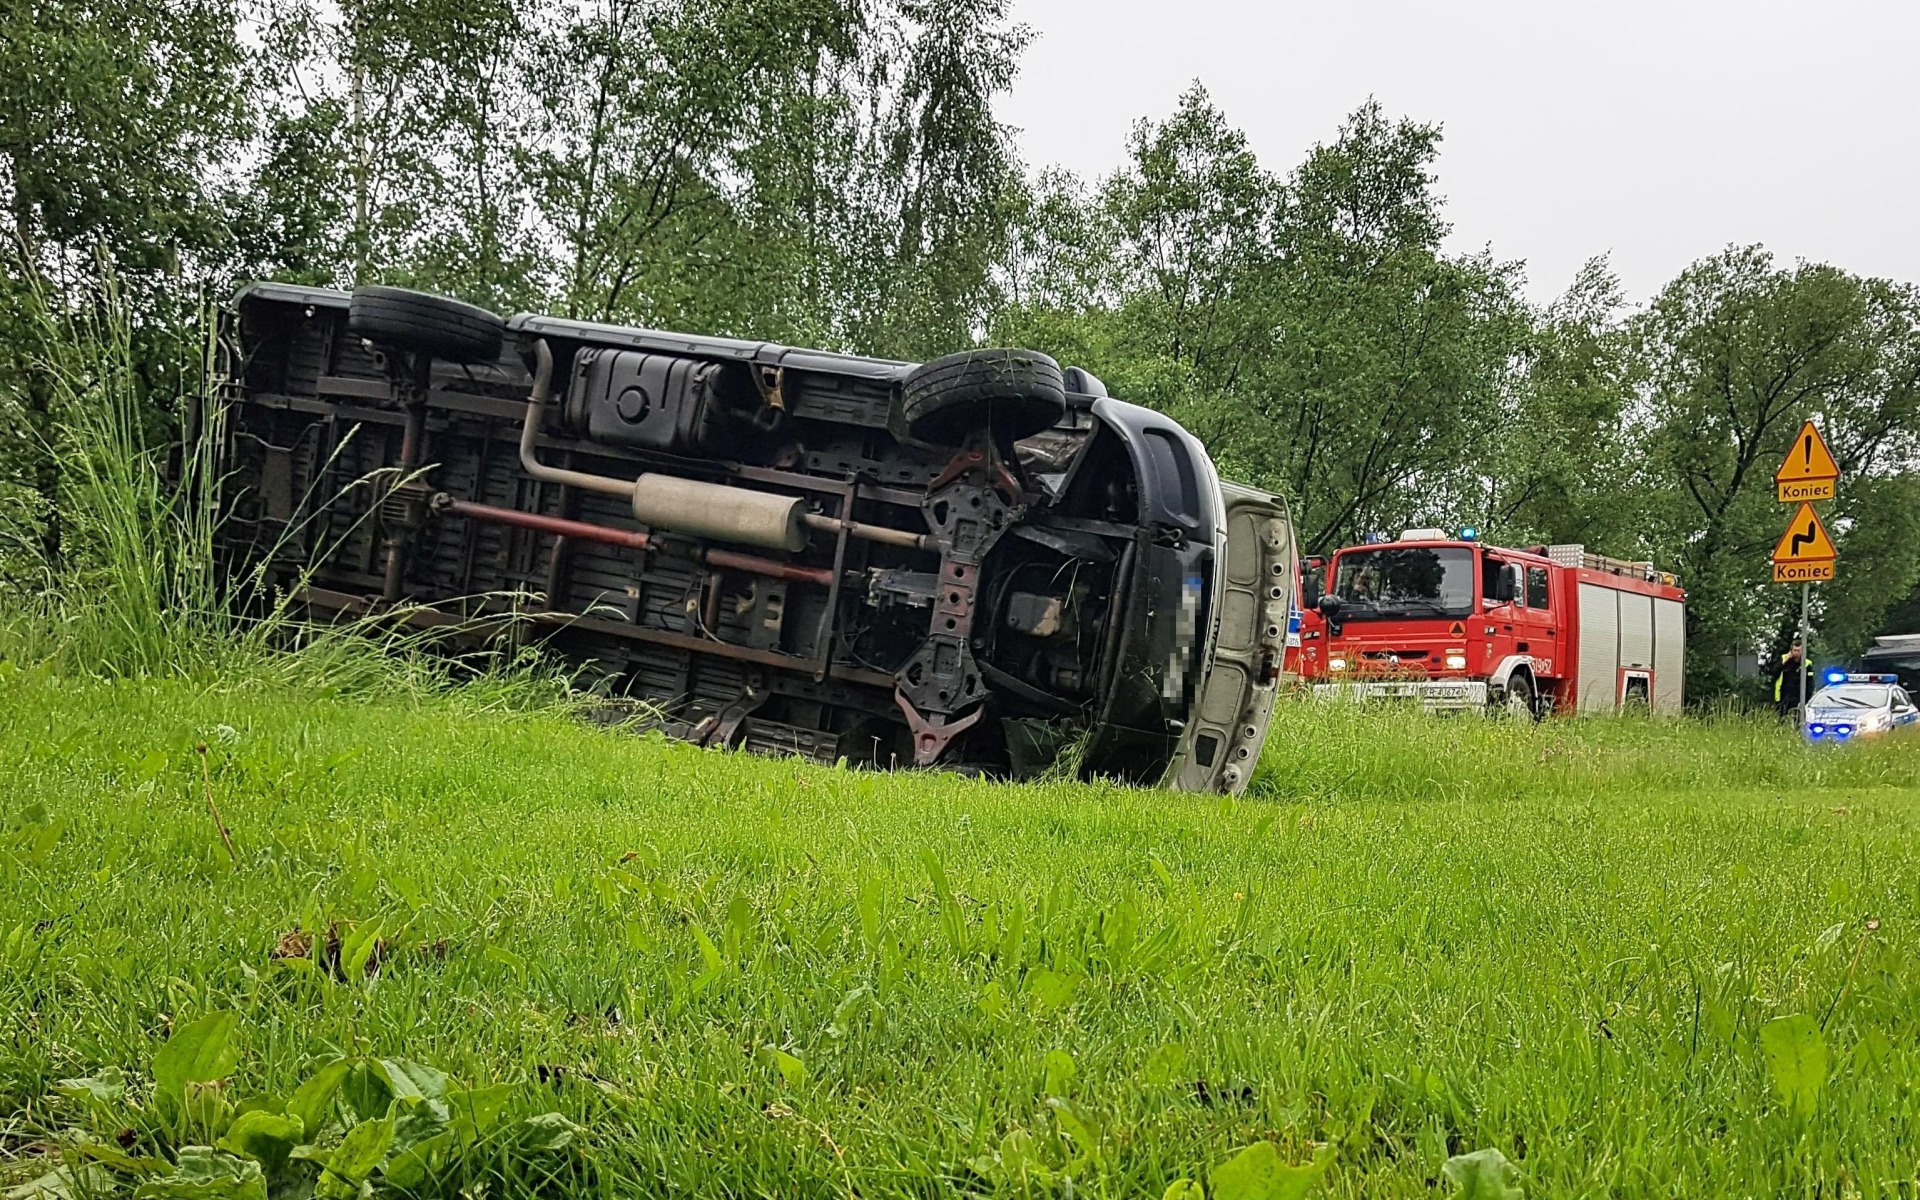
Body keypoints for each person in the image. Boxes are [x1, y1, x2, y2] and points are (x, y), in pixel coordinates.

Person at [1774, 644, 1812, 718]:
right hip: (1783, 695)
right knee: (1781, 718)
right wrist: (1784, 662)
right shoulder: (1784, 659)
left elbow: (1810, 682)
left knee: (1798, 719)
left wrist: (1808, 698)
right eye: (1795, 650)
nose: (1796, 653)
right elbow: (1774, 673)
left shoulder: (1807, 663)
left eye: (1798, 651)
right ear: (1791, 651)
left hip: (1799, 696)